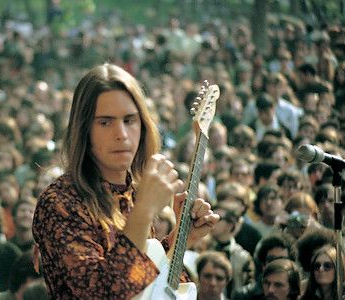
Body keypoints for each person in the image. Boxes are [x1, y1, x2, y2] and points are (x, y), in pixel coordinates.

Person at [32, 63, 219, 299]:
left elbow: (144, 284)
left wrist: (179, 239)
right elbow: (101, 292)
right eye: (105, 122)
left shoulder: (133, 192)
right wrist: (143, 213)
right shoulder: (59, 202)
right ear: (84, 130)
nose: (121, 133)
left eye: (130, 120)